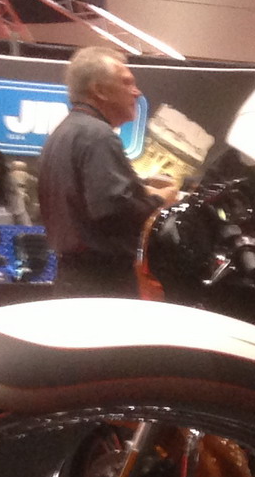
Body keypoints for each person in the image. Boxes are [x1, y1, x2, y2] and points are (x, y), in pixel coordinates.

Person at [38, 46, 175, 295]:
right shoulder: (98, 136)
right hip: (103, 283)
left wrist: (139, 189)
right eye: (127, 82)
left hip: (72, 279)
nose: (137, 91)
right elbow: (113, 211)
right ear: (99, 90)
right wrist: (160, 200)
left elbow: (88, 202)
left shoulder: (63, 133)